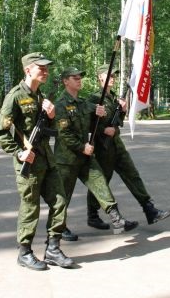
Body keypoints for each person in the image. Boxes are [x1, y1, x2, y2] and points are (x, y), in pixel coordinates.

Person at [0, 52, 74, 271]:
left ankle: (53, 249)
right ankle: (25, 252)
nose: (46, 71)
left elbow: (52, 131)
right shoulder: (15, 96)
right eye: (42, 68)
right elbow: (0, 132)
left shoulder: (41, 97)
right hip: (28, 163)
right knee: (31, 207)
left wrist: (50, 116)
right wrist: (18, 152)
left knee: (60, 201)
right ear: (28, 69)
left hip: (47, 160)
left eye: (47, 68)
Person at [54, 66, 138, 242]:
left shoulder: (83, 102)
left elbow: (96, 109)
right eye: (74, 77)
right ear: (65, 81)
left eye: (80, 77)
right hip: (67, 159)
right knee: (63, 197)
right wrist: (81, 146)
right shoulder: (61, 104)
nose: (79, 80)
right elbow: (64, 134)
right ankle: (59, 229)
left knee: (100, 184)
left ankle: (116, 218)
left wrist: (102, 110)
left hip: (85, 157)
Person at [86, 64, 170, 230]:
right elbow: (86, 124)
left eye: (114, 76)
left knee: (133, 175)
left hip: (117, 145)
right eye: (109, 75)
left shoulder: (113, 98)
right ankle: (93, 215)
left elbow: (117, 122)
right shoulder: (94, 98)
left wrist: (123, 111)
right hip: (103, 148)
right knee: (102, 182)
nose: (112, 78)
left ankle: (149, 209)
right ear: (100, 78)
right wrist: (103, 129)